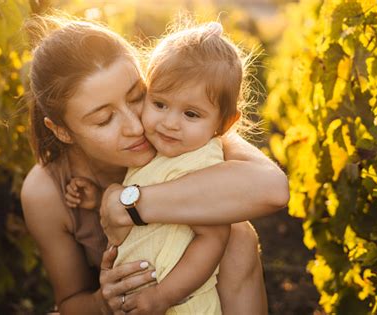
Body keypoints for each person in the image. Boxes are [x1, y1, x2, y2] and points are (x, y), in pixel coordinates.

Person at [20, 15, 289, 315]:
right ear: (62, 131)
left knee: (238, 234)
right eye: (104, 119)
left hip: (186, 295)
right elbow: (70, 302)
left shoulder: (179, 124)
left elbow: (273, 189)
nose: (135, 126)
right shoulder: (45, 191)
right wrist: (104, 302)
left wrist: (128, 205)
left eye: (138, 97)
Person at [64, 21, 253, 314]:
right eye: (160, 104)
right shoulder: (158, 149)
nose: (169, 123)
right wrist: (100, 197)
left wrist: (162, 296)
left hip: (181, 306)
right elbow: (146, 191)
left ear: (224, 124)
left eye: (191, 114)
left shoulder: (202, 165)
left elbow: (212, 241)